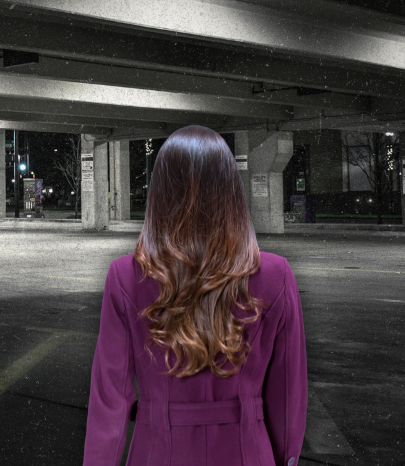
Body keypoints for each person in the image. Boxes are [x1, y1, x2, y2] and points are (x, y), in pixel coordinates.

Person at [83, 126, 307, 466]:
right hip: (246, 451)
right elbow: (287, 394)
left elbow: (110, 400)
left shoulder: (126, 276)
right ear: (231, 190)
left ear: (160, 192)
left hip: (156, 452)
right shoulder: (275, 276)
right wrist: (284, 455)